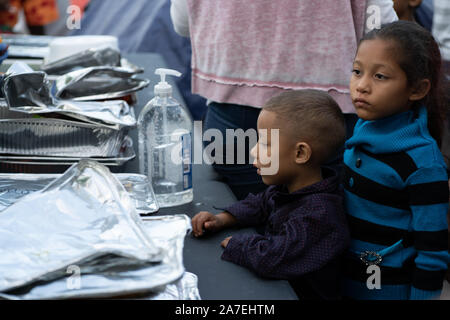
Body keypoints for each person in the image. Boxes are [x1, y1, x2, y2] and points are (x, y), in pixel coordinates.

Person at [170, 0, 398, 200]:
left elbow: (183, 22)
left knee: (245, 225)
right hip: (328, 114)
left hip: (234, 106)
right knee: (321, 224)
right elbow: (380, 25)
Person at [191, 90, 350, 300]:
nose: (254, 151)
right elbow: (260, 204)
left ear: (300, 153)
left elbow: (273, 258)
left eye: (265, 144)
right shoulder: (288, 188)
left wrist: (238, 245)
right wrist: (222, 219)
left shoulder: (318, 215)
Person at [341, 21, 449, 300]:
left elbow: (433, 251)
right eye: (357, 71)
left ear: (417, 89)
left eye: (380, 76)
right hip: (345, 280)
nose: (361, 86)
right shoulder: (363, 129)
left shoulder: (423, 164)